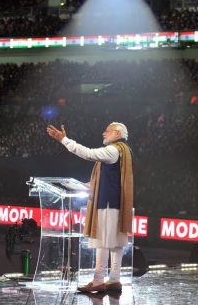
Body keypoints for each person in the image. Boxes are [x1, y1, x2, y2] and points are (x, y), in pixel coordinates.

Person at [46, 122, 133, 293]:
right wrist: (86, 185)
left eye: (107, 131)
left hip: (107, 203)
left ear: (116, 133)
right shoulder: (124, 150)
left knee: (103, 241)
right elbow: (110, 179)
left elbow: (88, 154)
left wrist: (65, 140)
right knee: (116, 242)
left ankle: (98, 280)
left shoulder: (113, 150)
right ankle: (114, 279)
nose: (103, 133)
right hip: (116, 203)